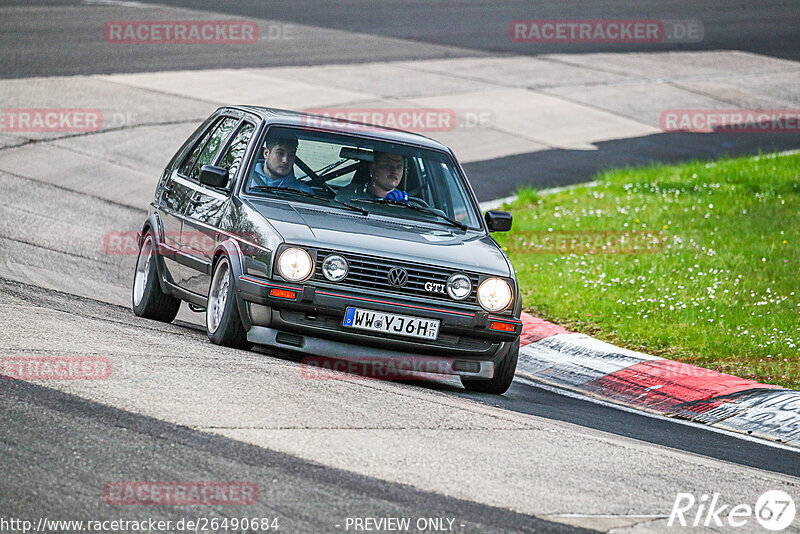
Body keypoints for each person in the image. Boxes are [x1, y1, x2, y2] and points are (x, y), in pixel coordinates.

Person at [335, 151, 409, 203]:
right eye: (388, 165)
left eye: (399, 167)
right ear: (373, 167)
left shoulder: (412, 206)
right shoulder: (348, 197)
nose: (395, 171)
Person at [249, 135, 313, 194]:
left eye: (291, 155)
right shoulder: (245, 181)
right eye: (280, 153)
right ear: (266, 153)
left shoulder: (304, 193)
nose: (285, 160)